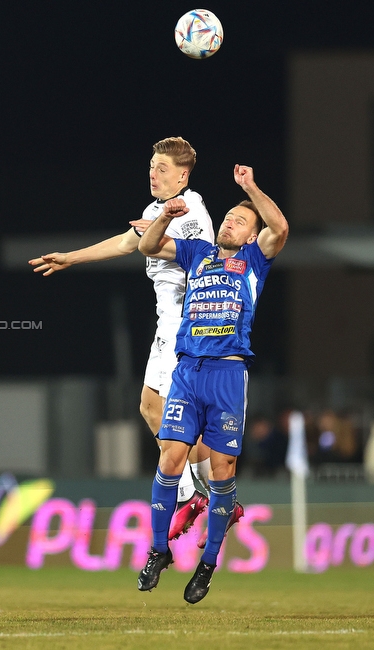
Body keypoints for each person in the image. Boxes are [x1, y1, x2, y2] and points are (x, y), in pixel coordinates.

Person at [29, 137, 216, 535]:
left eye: (162, 168)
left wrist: (160, 230)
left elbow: (178, 250)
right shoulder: (157, 209)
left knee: (170, 415)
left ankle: (204, 494)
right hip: (167, 324)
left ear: (183, 175)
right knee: (152, 409)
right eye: (151, 165)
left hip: (187, 323)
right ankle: (206, 493)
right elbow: (126, 243)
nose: (153, 172)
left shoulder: (192, 211)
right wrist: (69, 258)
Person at [134, 164, 289, 603]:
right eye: (228, 217)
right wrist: (166, 215)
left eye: (240, 222)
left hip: (227, 374)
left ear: (250, 236)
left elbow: (280, 226)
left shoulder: (256, 259)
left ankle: (207, 565)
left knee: (223, 471)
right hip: (187, 370)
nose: (229, 222)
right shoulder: (197, 251)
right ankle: (158, 550)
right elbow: (147, 245)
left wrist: (250, 188)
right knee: (170, 457)